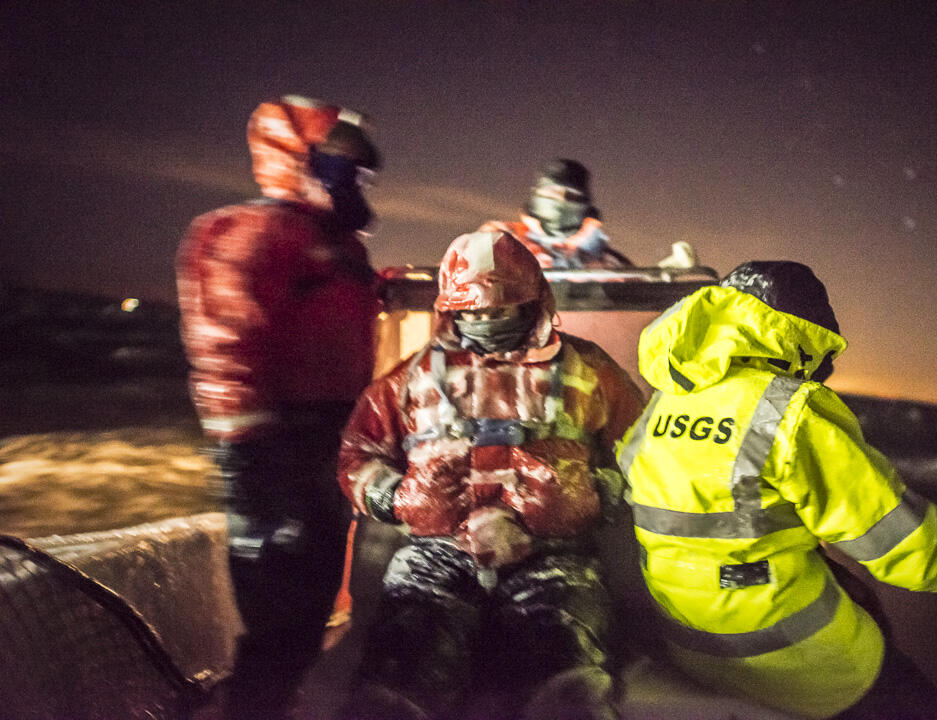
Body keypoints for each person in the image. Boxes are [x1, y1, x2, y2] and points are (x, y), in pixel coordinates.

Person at [614, 261, 937, 720]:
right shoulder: (787, 411)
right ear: (797, 337)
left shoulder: (666, 403)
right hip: (796, 663)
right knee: (917, 703)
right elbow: (905, 547)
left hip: (691, 646)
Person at [336, 229, 644, 720]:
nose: (484, 322)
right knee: (397, 672)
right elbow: (357, 454)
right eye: (472, 313)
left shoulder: (589, 370)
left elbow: (644, 454)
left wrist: (591, 495)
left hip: (553, 559)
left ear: (533, 303)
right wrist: (399, 497)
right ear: (451, 310)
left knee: (564, 678)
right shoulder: (411, 379)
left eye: (499, 311)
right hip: (436, 558)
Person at [175, 94, 383, 720]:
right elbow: (227, 338)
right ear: (298, 155)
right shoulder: (245, 230)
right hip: (273, 443)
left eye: (359, 163)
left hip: (327, 436)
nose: (354, 174)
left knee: (318, 584)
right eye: (339, 157)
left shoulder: (338, 245)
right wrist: (256, 448)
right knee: (280, 597)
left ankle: (277, 699)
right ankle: (255, 707)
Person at [480, 158, 633, 269]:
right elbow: (474, 255)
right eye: (551, 193)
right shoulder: (507, 239)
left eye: (572, 197)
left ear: (585, 203)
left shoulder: (610, 262)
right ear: (537, 195)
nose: (560, 202)